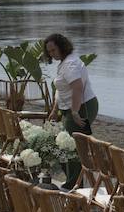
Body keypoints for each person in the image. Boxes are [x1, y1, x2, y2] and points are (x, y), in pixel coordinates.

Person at [42, 32, 98, 191]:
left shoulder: (71, 64)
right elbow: (61, 90)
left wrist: (75, 112)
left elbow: (77, 88)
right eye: (49, 51)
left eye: (54, 50)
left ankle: (74, 185)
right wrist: (55, 110)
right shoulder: (63, 63)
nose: (52, 54)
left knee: (72, 145)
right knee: (63, 144)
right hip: (69, 108)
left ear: (62, 47)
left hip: (83, 106)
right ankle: (74, 182)